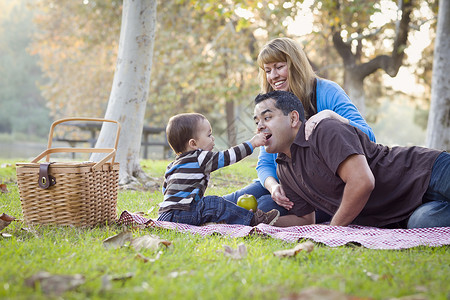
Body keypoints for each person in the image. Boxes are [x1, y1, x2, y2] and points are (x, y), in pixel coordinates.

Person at [223, 37, 376, 222]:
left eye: (279, 67)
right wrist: (273, 187)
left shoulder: (326, 91)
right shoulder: (272, 106)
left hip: (321, 187)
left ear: (295, 64)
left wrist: (330, 115)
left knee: (264, 207)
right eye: (268, 70)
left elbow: (368, 137)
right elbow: (265, 163)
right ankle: (186, 211)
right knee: (229, 202)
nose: (273, 76)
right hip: (284, 181)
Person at [253, 90, 450, 228]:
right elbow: (305, 220)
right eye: (257, 121)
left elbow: (362, 182)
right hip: (409, 212)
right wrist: (259, 220)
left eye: (267, 117)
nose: (260, 126)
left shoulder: (324, 130)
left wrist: (334, 229)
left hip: (427, 171)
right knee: (424, 223)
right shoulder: (284, 169)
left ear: (294, 119)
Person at [157, 113, 280, 226]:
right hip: (183, 213)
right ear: (193, 144)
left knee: (206, 205)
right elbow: (228, 156)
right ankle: (252, 219)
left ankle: (214, 220)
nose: (213, 138)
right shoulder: (199, 157)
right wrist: (252, 143)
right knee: (214, 203)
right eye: (209, 135)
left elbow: (166, 190)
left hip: (165, 215)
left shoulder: (172, 165)